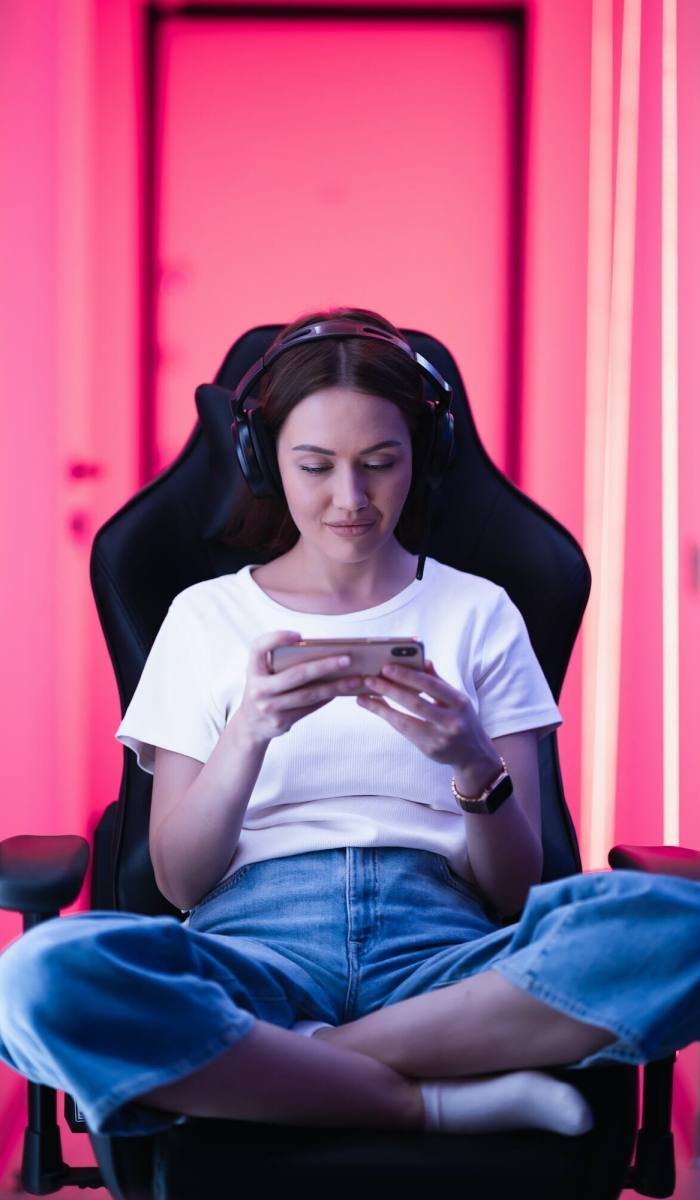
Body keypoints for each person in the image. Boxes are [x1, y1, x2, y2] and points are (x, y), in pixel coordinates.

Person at [0, 306, 699, 1142]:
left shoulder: (480, 612)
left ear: (422, 460)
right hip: (251, 952)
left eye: (380, 463)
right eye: (316, 466)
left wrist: (473, 766)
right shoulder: (205, 617)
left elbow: (515, 893)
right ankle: (417, 1098)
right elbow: (182, 886)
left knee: (682, 927)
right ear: (265, 463)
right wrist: (248, 734)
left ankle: (299, 1061)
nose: (352, 499)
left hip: (445, 956)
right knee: (36, 980)